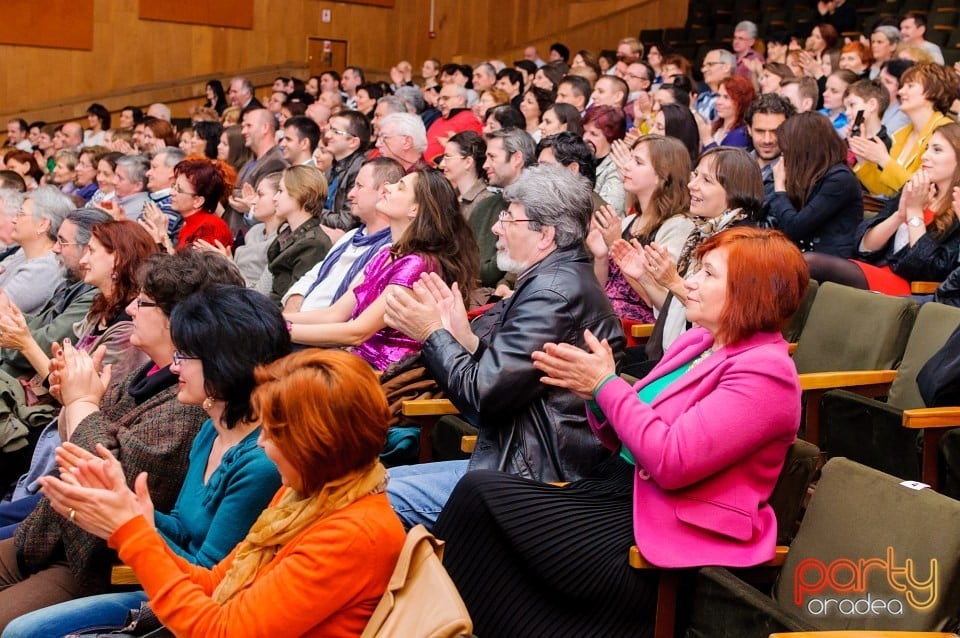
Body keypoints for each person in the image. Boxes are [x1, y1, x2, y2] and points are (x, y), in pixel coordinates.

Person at [434, 227, 807, 637]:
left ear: (750, 293)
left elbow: (672, 460)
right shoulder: (701, 342)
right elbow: (629, 425)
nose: (690, 282)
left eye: (709, 275)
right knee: (480, 497)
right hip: (617, 490)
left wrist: (604, 385)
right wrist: (592, 393)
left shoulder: (767, 372)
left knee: (481, 498)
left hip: (666, 525)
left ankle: (435, 624)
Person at [34, 348, 404, 637]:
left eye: (274, 433)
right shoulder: (309, 495)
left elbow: (218, 631)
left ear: (315, 444)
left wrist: (131, 533)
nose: (262, 444)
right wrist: (134, 526)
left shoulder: (353, 535)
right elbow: (215, 583)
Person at [3, 286, 291, 637]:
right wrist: (127, 508)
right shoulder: (212, 428)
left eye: (185, 355)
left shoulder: (258, 462)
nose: (173, 365)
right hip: (141, 568)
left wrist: (126, 523)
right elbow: (182, 528)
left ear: (224, 364)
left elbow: (209, 576)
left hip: (177, 598)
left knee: (23, 630)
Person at [382, 164, 626, 529]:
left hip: (529, 478)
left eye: (508, 220)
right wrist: (463, 340)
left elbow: (483, 398)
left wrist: (432, 333)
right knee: (364, 490)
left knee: (367, 502)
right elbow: (508, 380)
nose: (496, 229)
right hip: (511, 458)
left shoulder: (551, 294)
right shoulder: (555, 280)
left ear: (544, 235)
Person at [285, 169, 479, 371]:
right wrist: (274, 319)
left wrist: (284, 331)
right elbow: (333, 314)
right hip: (356, 360)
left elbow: (357, 333)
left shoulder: (418, 264)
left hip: (382, 373)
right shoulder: (387, 253)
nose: (388, 187)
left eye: (400, 187)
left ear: (415, 209)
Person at [612, 147, 766, 369]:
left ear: (734, 191)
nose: (692, 185)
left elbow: (722, 314)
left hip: (707, 361)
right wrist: (644, 278)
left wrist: (673, 281)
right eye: (695, 176)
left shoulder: (743, 243)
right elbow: (673, 309)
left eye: (706, 180)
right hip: (675, 349)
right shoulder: (702, 232)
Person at [807, 122, 960, 294]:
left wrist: (915, 213)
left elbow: (928, 269)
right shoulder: (914, 190)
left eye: (937, 150)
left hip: (909, 288)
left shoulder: (957, 211)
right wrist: (899, 216)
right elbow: (864, 247)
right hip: (873, 270)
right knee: (799, 269)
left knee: (808, 264)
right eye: (926, 148)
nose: (925, 156)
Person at [586, 135, 693, 326]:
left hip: (637, 330)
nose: (627, 166)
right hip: (607, 318)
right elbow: (603, 289)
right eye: (631, 159)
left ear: (662, 176)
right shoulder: (629, 221)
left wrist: (615, 245)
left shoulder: (677, 226)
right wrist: (601, 257)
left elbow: (660, 300)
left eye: (638, 162)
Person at [850, 62, 957, 196]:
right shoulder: (901, 134)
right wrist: (863, 159)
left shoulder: (946, 132)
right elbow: (887, 192)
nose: (901, 91)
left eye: (910, 86)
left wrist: (883, 159)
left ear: (933, 91)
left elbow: (926, 191)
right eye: (902, 86)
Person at [769, 111, 863, 257]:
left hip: (834, 259)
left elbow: (795, 228)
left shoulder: (840, 180)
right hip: (806, 253)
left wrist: (780, 188)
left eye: (787, 151)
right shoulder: (809, 176)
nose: (783, 156)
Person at [265, 165, 332, 304]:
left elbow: (293, 303)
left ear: (300, 193)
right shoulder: (289, 234)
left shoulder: (313, 244)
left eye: (280, 191)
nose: (275, 198)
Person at [0, 187, 73, 314]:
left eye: (21, 214)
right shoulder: (24, 252)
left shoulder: (45, 267)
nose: (14, 220)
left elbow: (3, 309)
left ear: (43, 224)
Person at [582, 105, 627, 216]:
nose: (585, 138)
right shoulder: (581, 156)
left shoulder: (617, 168)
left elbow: (607, 212)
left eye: (593, 134)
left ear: (611, 138)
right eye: (585, 131)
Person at [440, 131, 493, 222]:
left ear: (468, 162)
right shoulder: (449, 197)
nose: (442, 164)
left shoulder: (486, 202)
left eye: (447, 157)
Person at [698, 76, 755, 150]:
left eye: (726, 97)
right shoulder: (717, 127)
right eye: (718, 96)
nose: (718, 102)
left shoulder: (741, 134)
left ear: (741, 101)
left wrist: (707, 139)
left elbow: (722, 160)